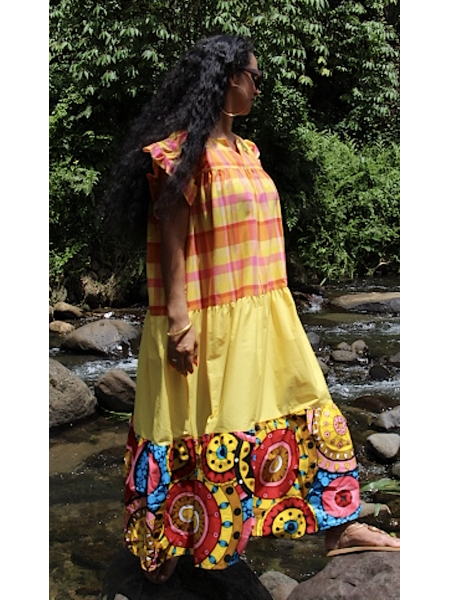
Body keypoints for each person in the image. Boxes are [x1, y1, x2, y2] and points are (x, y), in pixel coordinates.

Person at [115, 34, 400, 584]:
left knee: (309, 406)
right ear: (228, 78)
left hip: (267, 314)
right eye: (255, 76)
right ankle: (169, 536)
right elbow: (171, 239)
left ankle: (340, 527)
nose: (259, 87)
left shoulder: (247, 152)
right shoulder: (180, 153)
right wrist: (178, 320)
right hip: (205, 319)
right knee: (192, 424)